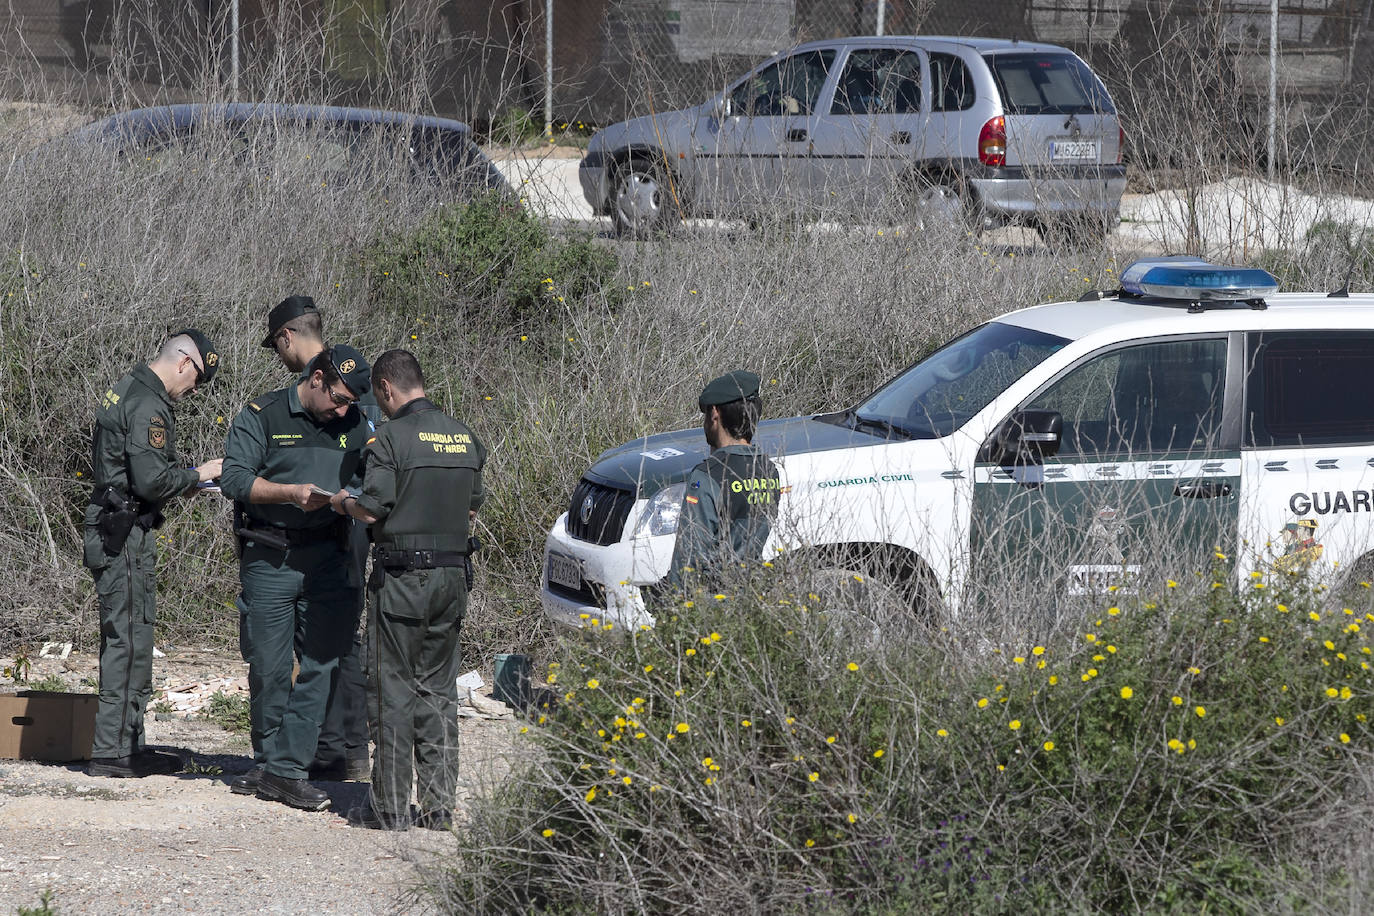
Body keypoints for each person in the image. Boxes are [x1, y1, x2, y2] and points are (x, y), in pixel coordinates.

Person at [330, 349, 486, 830]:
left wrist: (341, 503)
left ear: (384, 389)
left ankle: (392, 808)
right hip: (453, 581)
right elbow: (473, 507)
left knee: (392, 690)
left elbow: (373, 509)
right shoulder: (465, 438)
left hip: (402, 582)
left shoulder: (389, 440)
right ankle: (439, 808)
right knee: (438, 691)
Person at [219, 345, 373, 812]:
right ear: (317, 378)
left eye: (351, 402)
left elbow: (377, 477)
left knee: (321, 665)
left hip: (329, 554)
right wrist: (289, 493)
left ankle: (289, 767)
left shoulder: (356, 423)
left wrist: (353, 496)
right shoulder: (262, 415)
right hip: (270, 556)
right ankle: (269, 764)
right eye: (339, 398)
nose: (344, 408)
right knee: (268, 666)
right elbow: (234, 480)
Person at [84, 330, 224, 778]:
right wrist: (196, 476)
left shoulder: (125, 387)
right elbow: (150, 482)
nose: (195, 390)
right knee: (129, 638)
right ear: (184, 362)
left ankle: (128, 742)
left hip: (117, 524)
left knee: (128, 635)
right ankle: (113, 751)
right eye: (198, 379)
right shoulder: (148, 404)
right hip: (124, 531)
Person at [261, 295, 372, 782]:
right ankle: (339, 749)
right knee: (335, 641)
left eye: (277, 346)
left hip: (341, 526)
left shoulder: (345, 387)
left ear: (287, 336)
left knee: (333, 642)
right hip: (344, 523)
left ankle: (339, 750)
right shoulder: (355, 378)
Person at [662, 370, 781, 592]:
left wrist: (674, 598)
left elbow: (691, 552)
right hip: (748, 593)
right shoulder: (770, 471)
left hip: (711, 602)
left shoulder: (708, 475)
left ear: (715, 414)